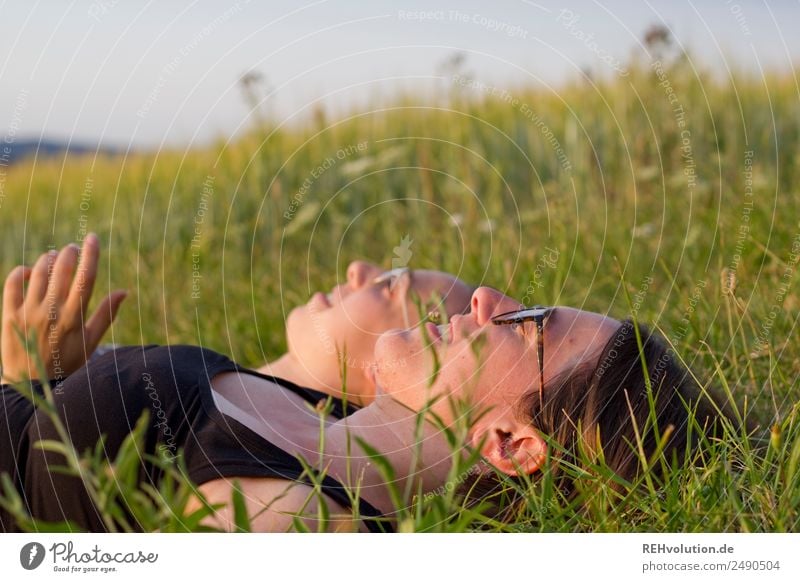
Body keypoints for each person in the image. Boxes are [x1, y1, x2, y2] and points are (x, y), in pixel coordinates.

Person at [1, 236, 735, 532]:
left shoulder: (301, 523)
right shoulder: (314, 413)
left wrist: (29, 381)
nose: (485, 300)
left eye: (527, 324)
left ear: (510, 444)